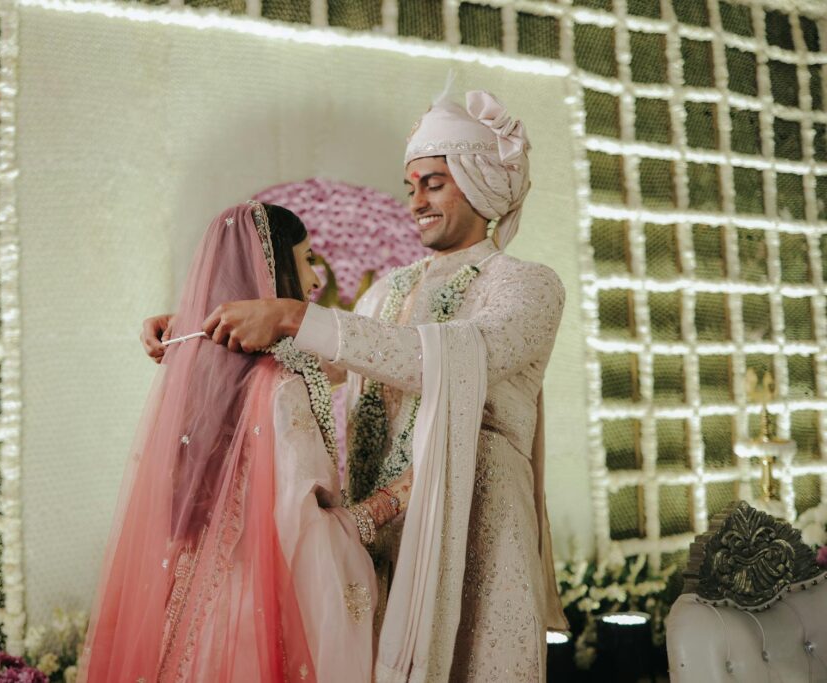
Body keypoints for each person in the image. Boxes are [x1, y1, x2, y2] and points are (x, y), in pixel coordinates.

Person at [144, 86, 570, 681]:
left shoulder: (526, 285)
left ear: (479, 182)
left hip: (480, 537)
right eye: (410, 186)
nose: (416, 201)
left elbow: (450, 356)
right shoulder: (389, 291)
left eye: (433, 183)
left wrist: (293, 316)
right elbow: (317, 364)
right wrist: (200, 332)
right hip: (380, 541)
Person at [81, 201, 376, 683]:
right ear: (275, 271)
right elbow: (308, 536)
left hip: (194, 611)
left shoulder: (200, 375)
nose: (314, 279)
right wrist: (387, 504)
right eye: (306, 260)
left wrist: (192, 321)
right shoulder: (281, 386)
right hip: (253, 626)